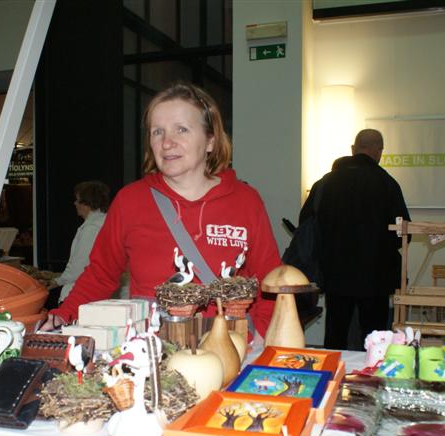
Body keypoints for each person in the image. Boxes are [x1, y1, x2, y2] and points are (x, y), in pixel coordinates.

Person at [43, 82, 282, 338]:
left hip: (230, 348)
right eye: (157, 132)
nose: (167, 143)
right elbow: (100, 274)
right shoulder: (131, 201)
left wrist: (262, 336)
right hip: (152, 351)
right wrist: (63, 315)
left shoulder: (245, 201)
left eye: (182, 129)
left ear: (210, 140)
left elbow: (270, 282)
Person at [300, 129, 410, 350]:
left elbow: (306, 224)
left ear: (353, 149)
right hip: (376, 276)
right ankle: (371, 371)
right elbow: (404, 232)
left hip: (335, 275)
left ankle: (334, 369)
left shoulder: (325, 183)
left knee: (336, 334)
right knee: (375, 338)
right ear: (379, 151)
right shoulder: (387, 183)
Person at [55, 181, 111, 303]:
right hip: (101, 293)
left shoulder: (92, 228)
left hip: (83, 295)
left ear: (87, 203)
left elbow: (79, 266)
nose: (74, 203)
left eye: (77, 200)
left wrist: (56, 281)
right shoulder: (107, 222)